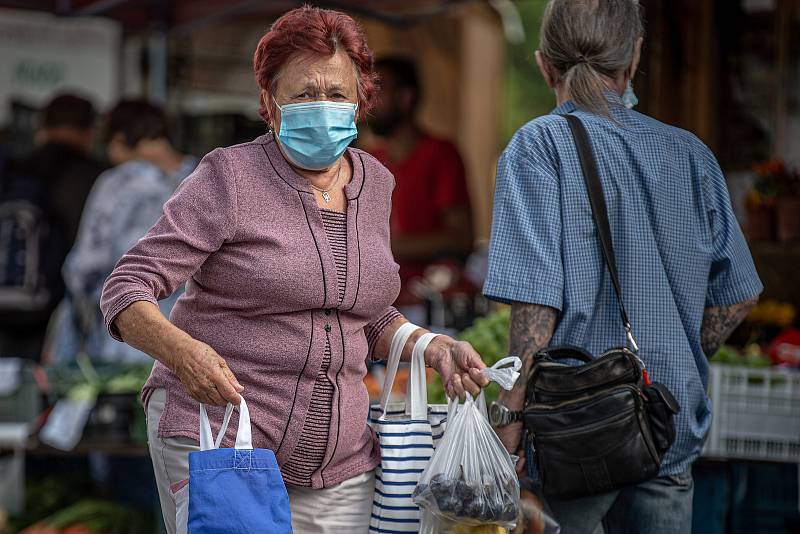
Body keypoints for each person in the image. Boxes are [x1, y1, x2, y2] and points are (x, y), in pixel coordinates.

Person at [99, 6, 489, 533]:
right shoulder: (229, 177)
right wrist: (184, 354)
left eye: (336, 94)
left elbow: (359, 312)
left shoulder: (375, 182)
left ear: (360, 102)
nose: (321, 106)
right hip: (222, 438)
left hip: (341, 466)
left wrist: (430, 345)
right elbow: (126, 289)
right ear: (269, 102)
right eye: (304, 93)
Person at [483, 1, 762, 533]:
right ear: (633, 57)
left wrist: (509, 418)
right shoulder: (691, 154)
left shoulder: (539, 147)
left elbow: (535, 305)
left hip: (574, 435)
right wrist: (675, 351)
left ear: (544, 66)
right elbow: (738, 295)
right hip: (665, 425)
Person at [51, 100, 197, 364]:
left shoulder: (119, 183)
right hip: (193, 347)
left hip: (124, 340)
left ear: (119, 140)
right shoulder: (206, 177)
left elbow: (85, 266)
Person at [0, 93, 103, 361]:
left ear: (42, 127)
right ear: (90, 131)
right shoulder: (95, 178)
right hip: (58, 315)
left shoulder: (13, 172)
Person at [367, 57, 473, 291]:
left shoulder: (441, 154)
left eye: (379, 91)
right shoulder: (368, 159)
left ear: (406, 98)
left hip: (431, 299)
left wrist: (384, 246)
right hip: (380, 298)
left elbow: (461, 237)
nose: (369, 101)